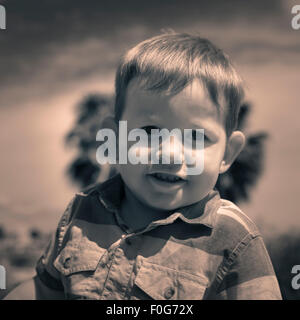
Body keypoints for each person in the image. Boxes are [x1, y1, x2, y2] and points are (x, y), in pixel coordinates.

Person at [4, 32, 282, 300]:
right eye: (149, 131)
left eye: (196, 137)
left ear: (227, 154)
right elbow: (44, 290)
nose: (170, 154)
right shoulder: (85, 210)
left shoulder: (233, 239)